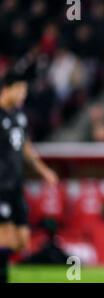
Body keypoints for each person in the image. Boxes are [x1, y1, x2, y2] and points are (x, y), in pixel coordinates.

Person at [0, 72, 59, 283]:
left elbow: (26, 149)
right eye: (20, 90)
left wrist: (44, 171)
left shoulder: (19, 116)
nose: (23, 94)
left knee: (22, 241)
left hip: (16, 184)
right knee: (5, 236)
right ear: (7, 89)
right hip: (1, 186)